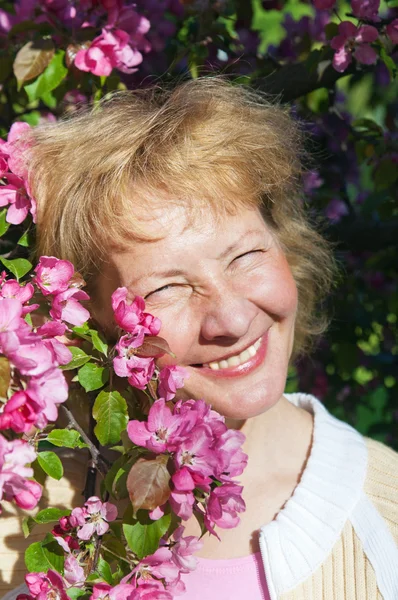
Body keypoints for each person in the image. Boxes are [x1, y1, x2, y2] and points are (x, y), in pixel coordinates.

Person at [1, 79, 398, 600]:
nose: (230, 319)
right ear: (89, 318)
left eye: (245, 256)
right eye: (167, 288)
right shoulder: (19, 523)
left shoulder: (385, 516)